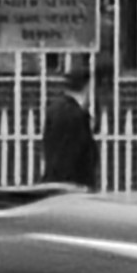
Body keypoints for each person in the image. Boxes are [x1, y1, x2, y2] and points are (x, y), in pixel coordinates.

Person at [39, 59, 100, 191]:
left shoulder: (54, 108)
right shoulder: (76, 115)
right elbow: (75, 155)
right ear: (87, 87)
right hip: (71, 188)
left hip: (54, 182)